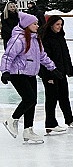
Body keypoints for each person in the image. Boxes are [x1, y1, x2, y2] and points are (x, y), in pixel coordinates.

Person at [1, 12, 58, 144]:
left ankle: (28, 130)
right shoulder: (18, 39)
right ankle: (12, 120)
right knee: (29, 99)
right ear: (27, 25)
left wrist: (53, 68)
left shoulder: (35, 39)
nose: (37, 26)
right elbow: (8, 56)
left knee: (32, 102)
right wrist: (5, 71)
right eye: (35, 23)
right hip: (17, 73)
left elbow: (42, 56)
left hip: (31, 73)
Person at [38, 16, 73, 134]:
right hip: (50, 74)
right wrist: (49, 75)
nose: (60, 27)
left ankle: (69, 119)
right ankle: (50, 123)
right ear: (51, 25)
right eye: (57, 24)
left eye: (61, 25)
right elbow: (44, 59)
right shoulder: (46, 38)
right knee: (51, 99)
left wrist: (68, 69)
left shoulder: (60, 37)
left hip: (61, 73)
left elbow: (65, 55)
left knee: (64, 97)